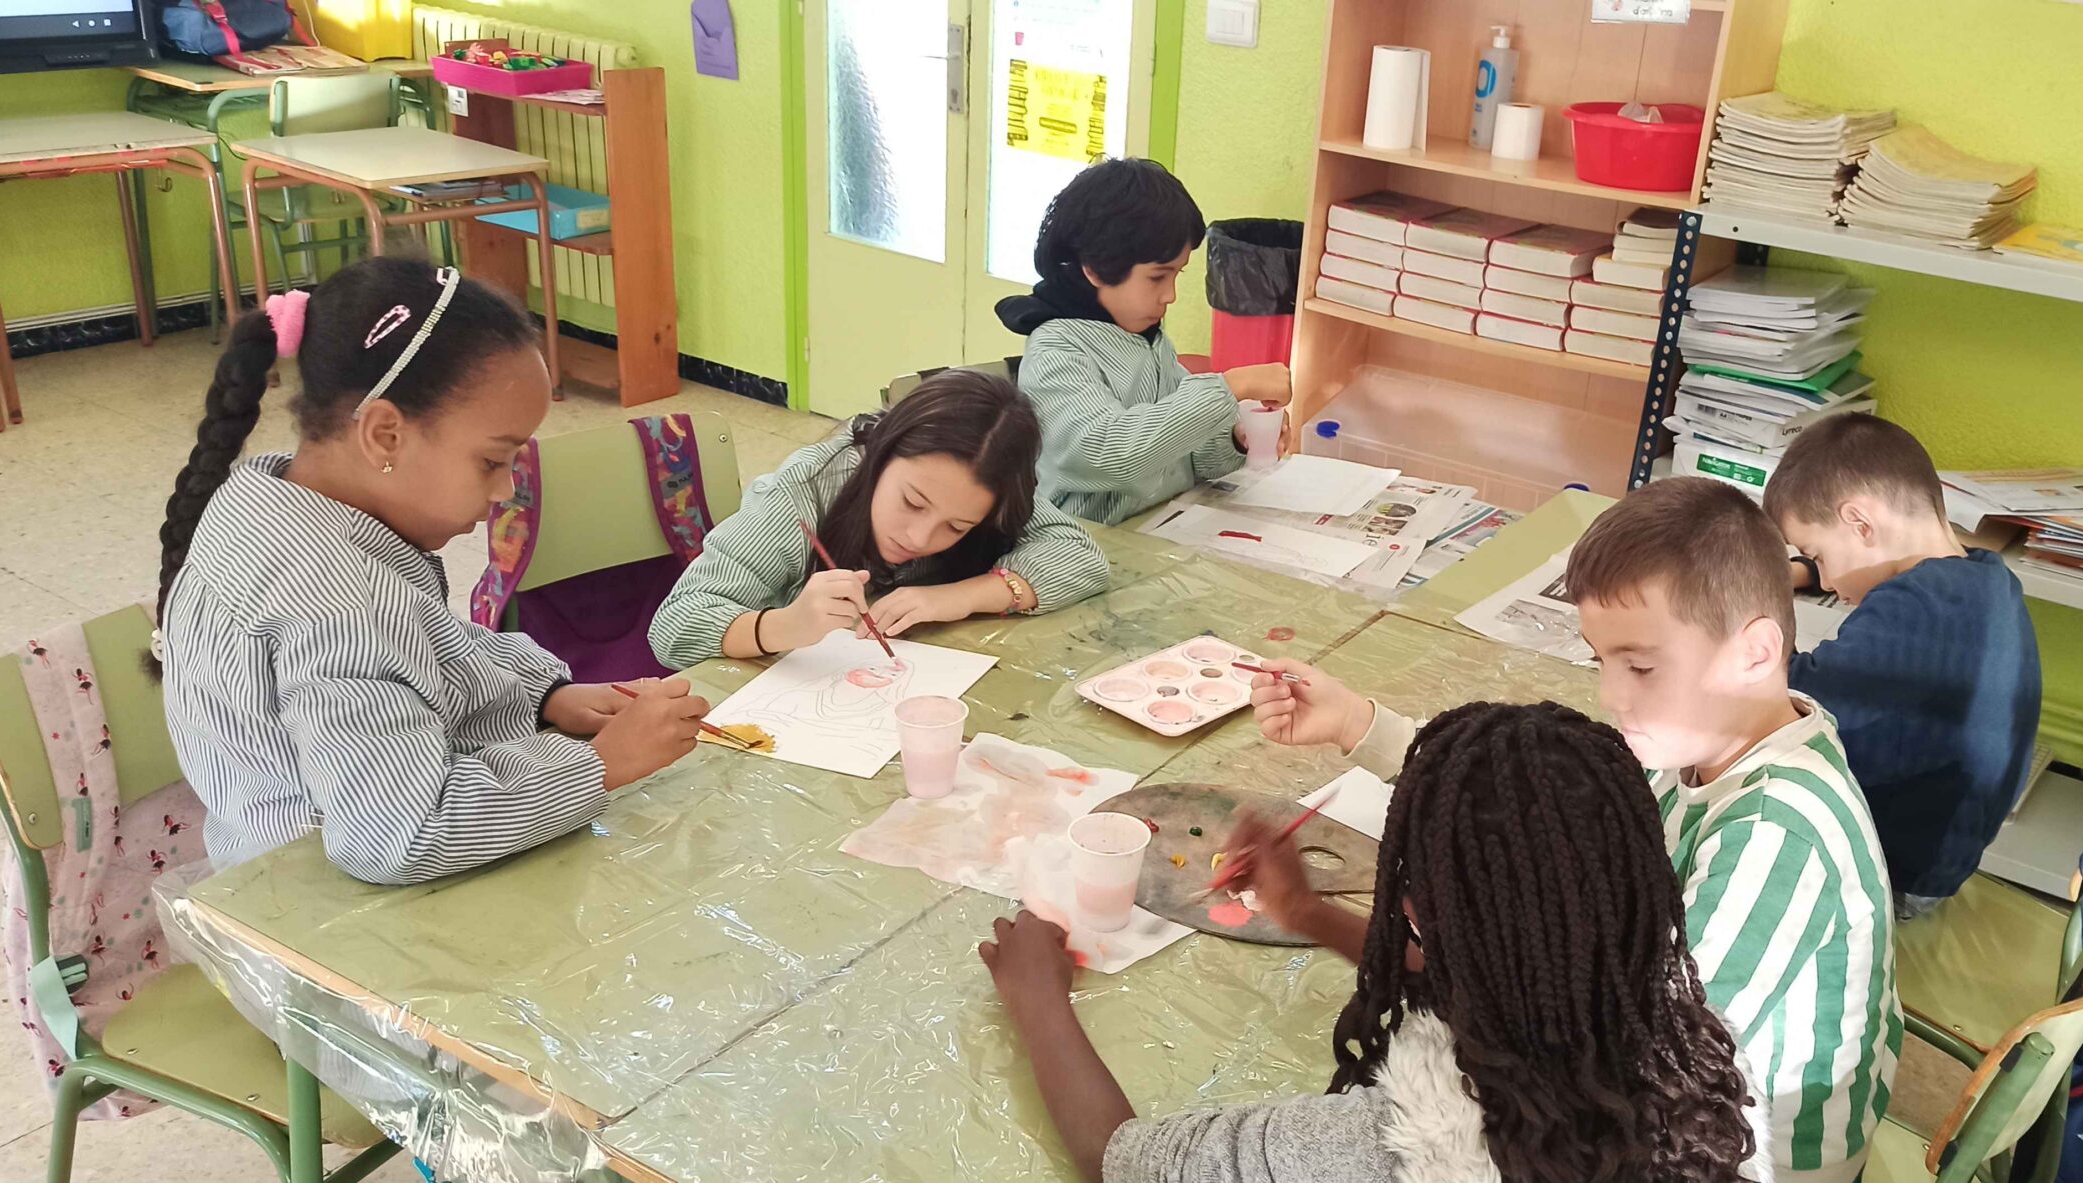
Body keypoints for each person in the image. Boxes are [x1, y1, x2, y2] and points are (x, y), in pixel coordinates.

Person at [1248, 478, 1901, 1183]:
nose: (1612, 696)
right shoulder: (1710, 736)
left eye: (1640, 665)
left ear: (1755, 652)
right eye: (1601, 659)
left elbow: (1614, 1046)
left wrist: (1325, 919)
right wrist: (1354, 722)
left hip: (1751, 1157)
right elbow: (1513, 798)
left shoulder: (1777, 839)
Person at [980, 702, 1770, 1183]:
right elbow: (1505, 974)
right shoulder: (1698, 1071)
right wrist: (1308, 912)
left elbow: (1124, 1160)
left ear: (1417, 905)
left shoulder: (1378, 1149)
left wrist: (1039, 1001)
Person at [154, 257, 709, 885]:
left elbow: (425, 643)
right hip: (330, 914)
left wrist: (544, 697)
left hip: (281, 873)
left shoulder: (271, 500)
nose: (505, 490)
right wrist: (602, 765)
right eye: (492, 461)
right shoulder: (341, 598)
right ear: (385, 435)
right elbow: (401, 835)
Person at [1762, 414, 2042, 916]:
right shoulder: (1984, 579)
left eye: (1817, 555)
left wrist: (1737, 602)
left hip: (1886, 879)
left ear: (1861, 523)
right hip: (1937, 861)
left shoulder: (1917, 607)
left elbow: (1781, 694)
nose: (1829, 583)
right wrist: (1799, 571)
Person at [649, 370, 1108, 668]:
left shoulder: (984, 490)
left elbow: (1080, 557)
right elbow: (676, 624)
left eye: (957, 527)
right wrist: (785, 625)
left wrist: (959, 597)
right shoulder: (805, 491)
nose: (920, 537)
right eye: (912, 502)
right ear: (882, 451)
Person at [997, 157, 1293, 526]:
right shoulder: (1057, 352)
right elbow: (1110, 454)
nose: (1170, 295)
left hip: (1161, 528)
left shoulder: (1148, 339)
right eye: (1157, 277)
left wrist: (1236, 437)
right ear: (1096, 267)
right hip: (1087, 541)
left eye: (1176, 275)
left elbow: (1185, 453)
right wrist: (1230, 387)